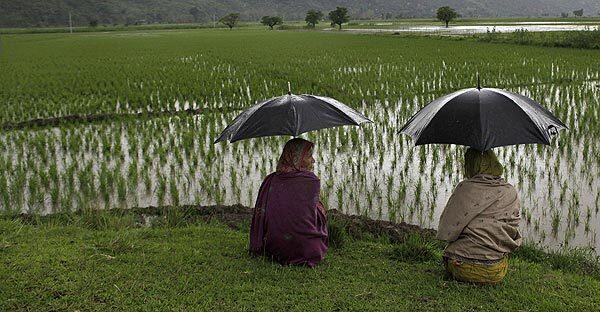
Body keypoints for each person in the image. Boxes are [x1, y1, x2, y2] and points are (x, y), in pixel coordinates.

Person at [437, 148, 522, 284]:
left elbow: (448, 227)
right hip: (495, 270)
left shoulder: (465, 188)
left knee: (452, 249)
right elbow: (512, 228)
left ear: (470, 165)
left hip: (460, 267)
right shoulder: (509, 191)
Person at [249, 138, 328, 267]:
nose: (313, 160)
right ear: (297, 158)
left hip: (272, 247)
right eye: (309, 156)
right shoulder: (310, 181)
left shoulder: (270, 179)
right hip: (306, 250)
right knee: (319, 210)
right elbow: (310, 215)